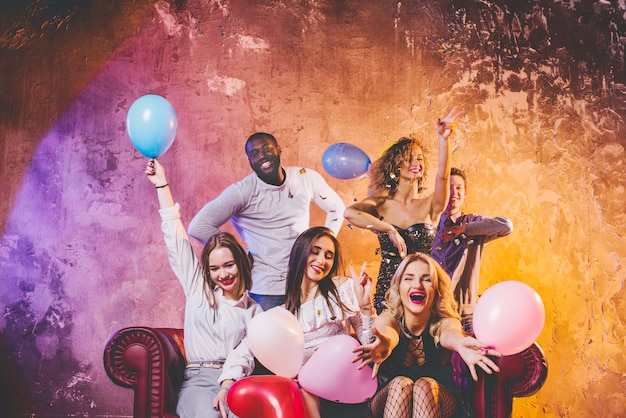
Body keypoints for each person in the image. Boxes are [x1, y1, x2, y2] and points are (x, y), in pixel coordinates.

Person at [145, 159, 263, 418]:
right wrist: (162, 185)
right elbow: (175, 238)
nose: (223, 274)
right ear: (207, 271)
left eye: (229, 265)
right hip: (197, 381)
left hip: (236, 383)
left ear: (240, 264)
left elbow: (245, 355)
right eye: (215, 268)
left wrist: (228, 385)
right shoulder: (198, 289)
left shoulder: (255, 312)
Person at [221, 226, 375, 418]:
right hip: (308, 395)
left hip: (343, 388)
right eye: (315, 251)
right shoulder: (284, 314)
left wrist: (365, 306)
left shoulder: (341, 290)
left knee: (306, 393)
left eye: (329, 256)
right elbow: (247, 348)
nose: (321, 261)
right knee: (303, 393)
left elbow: (370, 346)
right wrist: (226, 385)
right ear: (301, 252)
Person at [189, 132, 346, 311]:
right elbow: (198, 226)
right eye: (254, 153)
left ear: (278, 149)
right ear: (249, 160)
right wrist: (238, 254)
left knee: (311, 337)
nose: (262, 155)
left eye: (266, 148)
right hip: (268, 288)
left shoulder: (305, 178)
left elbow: (336, 208)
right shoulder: (242, 192)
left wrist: (323, 244)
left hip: (306, 282)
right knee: (269, 338)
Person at [344, 108, 464, 314]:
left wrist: (444, 140)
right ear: (396, 165)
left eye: (419, 159)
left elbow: (442, 178)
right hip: (388, 291)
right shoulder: (379, 204)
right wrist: (388, 228)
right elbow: (349, 213)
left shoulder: (431, 205)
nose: (415, 163)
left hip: (423, 291)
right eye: (408, 158)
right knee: (390, 344)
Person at [352, 253, 501, 418]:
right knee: (401, 384)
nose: (417, 285)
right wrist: (384, 344)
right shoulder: (389, 318)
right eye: (409, 278)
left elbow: (449, 333)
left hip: (437, 397)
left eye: (426, 279)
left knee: (424, 386)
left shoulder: (444, 321)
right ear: (398, 286)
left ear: (436, 289)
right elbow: (388, 333)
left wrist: (459, 343)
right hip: (389, 397)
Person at [431, 167, 513, 333]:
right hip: (433, 310)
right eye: (448, 188)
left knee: (469, 356)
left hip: (466, 313)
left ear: (465, 193)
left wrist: (463, 229)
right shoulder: (429, 224)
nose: (454, 192)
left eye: (459, 188)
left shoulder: (474, 223)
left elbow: (506, 226)